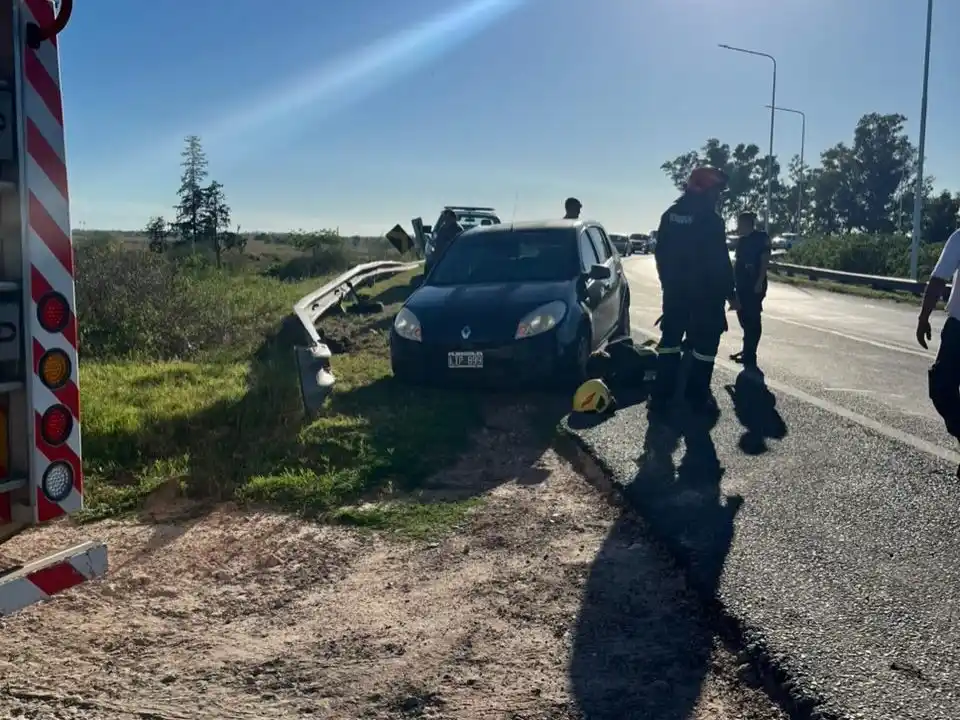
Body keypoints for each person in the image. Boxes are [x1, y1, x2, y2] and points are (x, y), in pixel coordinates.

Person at [650, 166, 738, 415]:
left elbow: (660, 255)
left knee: (670, 343)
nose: (718, 197)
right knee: (705, 347)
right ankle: (696, 396)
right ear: (706, 190)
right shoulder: (711, 220)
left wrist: (668, 284)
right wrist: (731, 293)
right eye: (717, 191)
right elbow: (720, 261)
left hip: (676, 294)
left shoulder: (670, 215)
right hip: (706, 297)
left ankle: (662, 395)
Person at [917, 227, 960, 474]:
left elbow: (937, 280)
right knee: (942, 388)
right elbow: (938, 279)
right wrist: (924, 317)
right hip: (958, 329)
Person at [730, 210, 771, 368]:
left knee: (752, 318)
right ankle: (747, 348)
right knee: (743, 316)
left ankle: (750, 353)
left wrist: (759, 281)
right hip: (741, 285)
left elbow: (764, 261)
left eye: (739, 223)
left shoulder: (761, 238)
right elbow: (738, 262)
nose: (738, 226)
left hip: (754, 285)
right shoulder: (742, 241)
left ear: (747, 224)